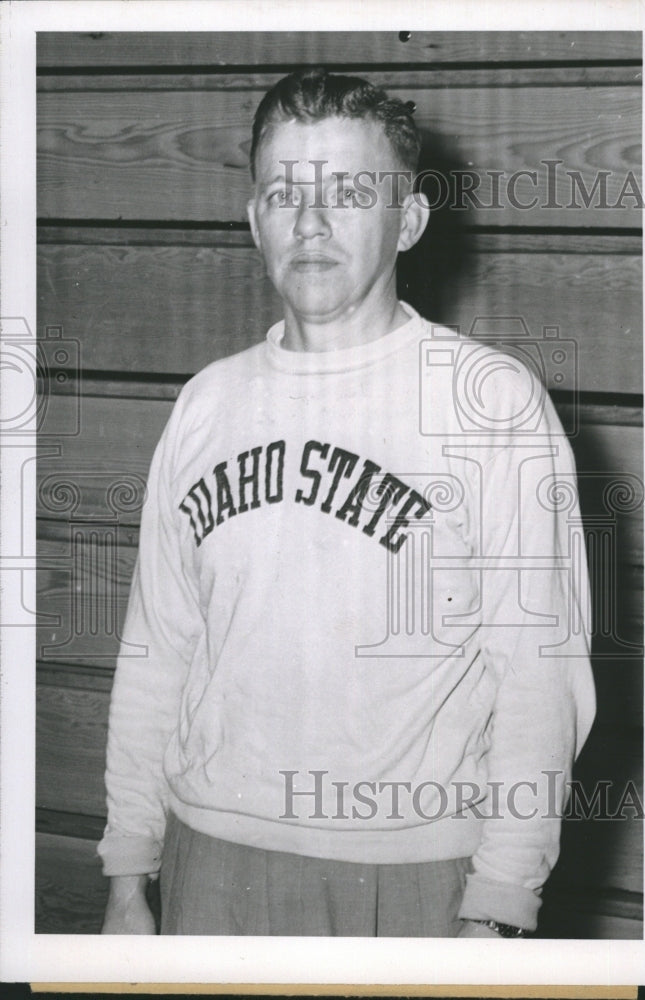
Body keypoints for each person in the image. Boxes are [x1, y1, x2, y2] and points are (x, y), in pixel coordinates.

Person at [99, 68, 595, 937]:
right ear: (254, 217)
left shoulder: (490, 400)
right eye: (284, 191)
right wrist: (128, 870)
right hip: (208, 856)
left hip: (415, 873)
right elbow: (156, 654)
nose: (312, 221)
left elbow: (538, 680)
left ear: (407, 220)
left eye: (351, 192)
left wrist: (502, 905)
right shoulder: (207, 403)